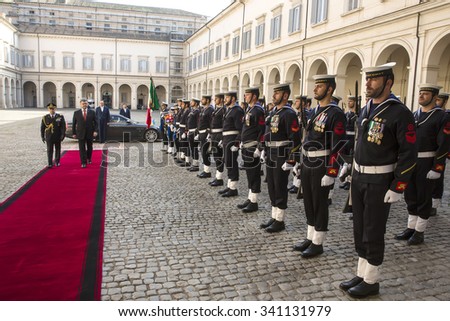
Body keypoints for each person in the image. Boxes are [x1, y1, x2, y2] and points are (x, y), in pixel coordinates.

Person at [340, 63, 417, 298]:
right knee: (359, 228)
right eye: (367, 79)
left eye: (374, 80)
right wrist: (348, 164)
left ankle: (372, 279)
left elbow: (408, 152)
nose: (368, 84)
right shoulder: (366, 109)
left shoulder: (399, 112)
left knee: (373, 230)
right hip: (360, 176)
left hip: (380, 180)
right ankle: (362, 272)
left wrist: (398, 185)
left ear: (388, 82)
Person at [294, 75, 346, 257]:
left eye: (319, 86)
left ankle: (318, 242)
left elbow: (338, 145)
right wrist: (301, 163)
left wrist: (332, 171)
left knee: (319, 203)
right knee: (308, 201)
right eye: (315, 86)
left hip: (322, 164)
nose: (315, 89)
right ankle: (310, 237)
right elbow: (307, 139)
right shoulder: (315, 111)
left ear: (330, 89)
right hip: (308, 162)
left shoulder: (335, 113)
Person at [396, 84, 450, 245]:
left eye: (425, 94)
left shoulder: (442, 117)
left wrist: (437, 167)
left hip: (428, 161)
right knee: (410, 195)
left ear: (434, 97)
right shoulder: (414, 115)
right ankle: (411, 227)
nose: (421, 96)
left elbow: (444, 143)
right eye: (420, 93)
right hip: (412, 161)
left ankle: (420, 231)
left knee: (423, 197)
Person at [260, 84, 301, 232]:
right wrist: (264, 149)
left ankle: (280, 220)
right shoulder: (273, 112)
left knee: (279, 186)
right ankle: (274, 216)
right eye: (274, 93)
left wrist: (291, 159)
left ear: (285, 95)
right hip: (271, 152)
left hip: (281, 153)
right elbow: (267, 132)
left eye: (277, 93)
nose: (273, 95)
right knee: (271, 185)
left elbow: (295, 138)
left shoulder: (289, 114)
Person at [236, 87, 265, 213]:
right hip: (246, 146)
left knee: (254, 174)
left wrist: (259, 148)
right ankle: (250, 197)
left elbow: (262, 130)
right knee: (249, 173)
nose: (245, 97)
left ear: (254, 96)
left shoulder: (258, 110)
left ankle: (254, 201)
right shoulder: (249, 109)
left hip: (253, 147)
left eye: (247, 95)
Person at [218, 91, 244, 197]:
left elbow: (240, 128)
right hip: (226, 139)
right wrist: (222, 139)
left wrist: (237, 143)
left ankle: (233, 188)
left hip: (232, 140)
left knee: (232, 163)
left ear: (233, 98)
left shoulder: (237, 110)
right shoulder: (229, 110)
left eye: (227, 97)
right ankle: (229, 185)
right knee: (227, 162)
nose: (225, 99)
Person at [430, 91, 449, 215]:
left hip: (440, 152)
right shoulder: (429, 114)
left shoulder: (445, 116)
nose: (437, 103)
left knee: (437, 179)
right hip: (427, 153)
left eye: (439, 100)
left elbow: (445, 140)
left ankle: (434, 204)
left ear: (444, 101)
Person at [72, 98, 98, 168]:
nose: (84, 105)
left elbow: (96, 122)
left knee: (90, 147)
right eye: (83, 103)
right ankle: (83, 162)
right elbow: (74, 124)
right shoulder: (76, 113)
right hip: (80, 133)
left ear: (87, 104)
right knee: (82, 148)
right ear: (80, 104)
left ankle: (89, 158)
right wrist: (74, 133)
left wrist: (95, 131)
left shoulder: (92, 112)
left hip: (90, 133)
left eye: (85, 103)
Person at [40, 103, 66, 168]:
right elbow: (42, 128)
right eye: (50, 109)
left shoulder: (60, 116)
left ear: (55, 109)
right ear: (48, 109)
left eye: (53, 109)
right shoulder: (45, 117)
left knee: (57, 149)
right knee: (49, 150)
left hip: (57, 136)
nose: (52, 110)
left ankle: (57, 162)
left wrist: (63, 135)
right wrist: (42, 137)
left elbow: (63, 127)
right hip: (49, 136)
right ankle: (50, 163)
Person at [209, 93, 226, 186]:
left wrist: (222, 138)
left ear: (221, 100)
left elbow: (224, 125)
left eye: (216, 99)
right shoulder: (217, 110)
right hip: (214, 134)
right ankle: (217, 176)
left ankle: (219, 178)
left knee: (219, 157)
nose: (214, 100)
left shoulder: (223, 110)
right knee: (215, 156)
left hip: (219, 135)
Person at [197, 95, 214, 178]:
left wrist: (209, 134)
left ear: (207, 100)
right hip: (201, 133)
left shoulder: (210, 109)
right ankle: (205, 170)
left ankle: (207, 171)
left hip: (206, 133)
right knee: (203, 152)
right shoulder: (203, 109)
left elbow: (211, 123)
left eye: (203, 99)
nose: (201, 100)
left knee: (205, 152)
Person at [186, 98, 201, 171]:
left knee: (194, 149)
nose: (191, 102)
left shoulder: (197, 112)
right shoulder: (192, 111)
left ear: (196, 103)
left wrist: (197, 133)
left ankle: (196, 165)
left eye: (192, 102)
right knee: (192, 148)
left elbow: (198, 123)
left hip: (194, 132)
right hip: (190, 131)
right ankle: (194, 164)